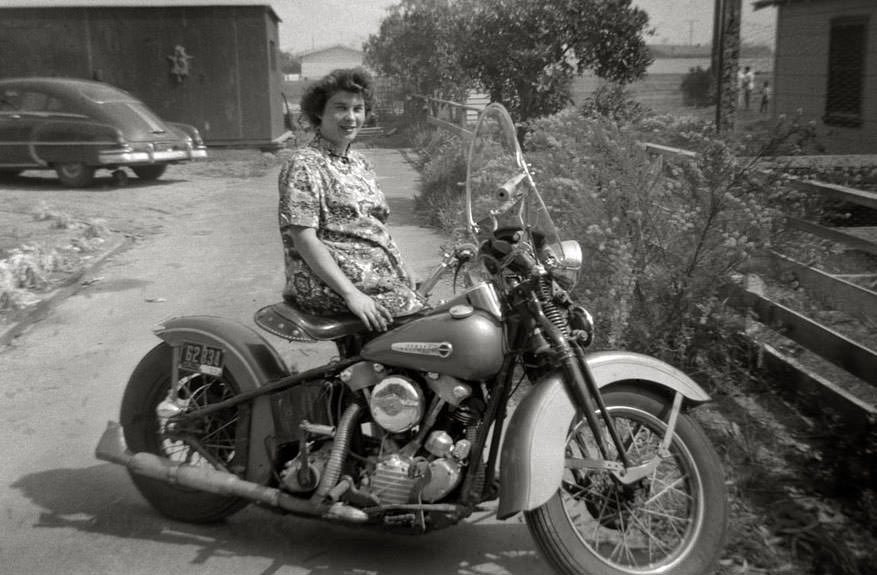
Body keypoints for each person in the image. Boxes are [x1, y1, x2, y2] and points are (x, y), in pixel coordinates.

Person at [277, 67, 419, 332]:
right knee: (417, 319)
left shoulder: (359, 162)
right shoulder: (304, 165)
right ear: (320, 111)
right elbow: (304, 238)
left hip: (370, 275)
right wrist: (351, 294)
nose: (351, 117)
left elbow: (374, 226)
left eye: (358, 109)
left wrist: (402, 266)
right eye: (341, 108)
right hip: (327, 284)